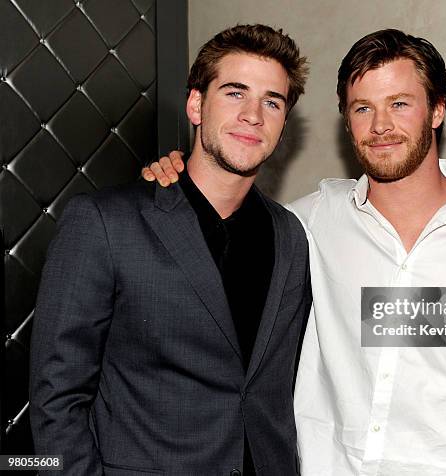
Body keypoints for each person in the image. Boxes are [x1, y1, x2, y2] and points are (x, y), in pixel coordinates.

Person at [144, 29, 446, 475]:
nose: (380, 126)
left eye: (399, 103)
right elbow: (217, 217)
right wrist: (177, 174)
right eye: (363, 108)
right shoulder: (307, 224)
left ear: (437, 110)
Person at [30, 24, 311, 476]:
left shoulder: (291, 235)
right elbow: (55, 396)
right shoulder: (105, 222)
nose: (254, 114)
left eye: (272, 101)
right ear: (196, 104)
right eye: (235, 93)